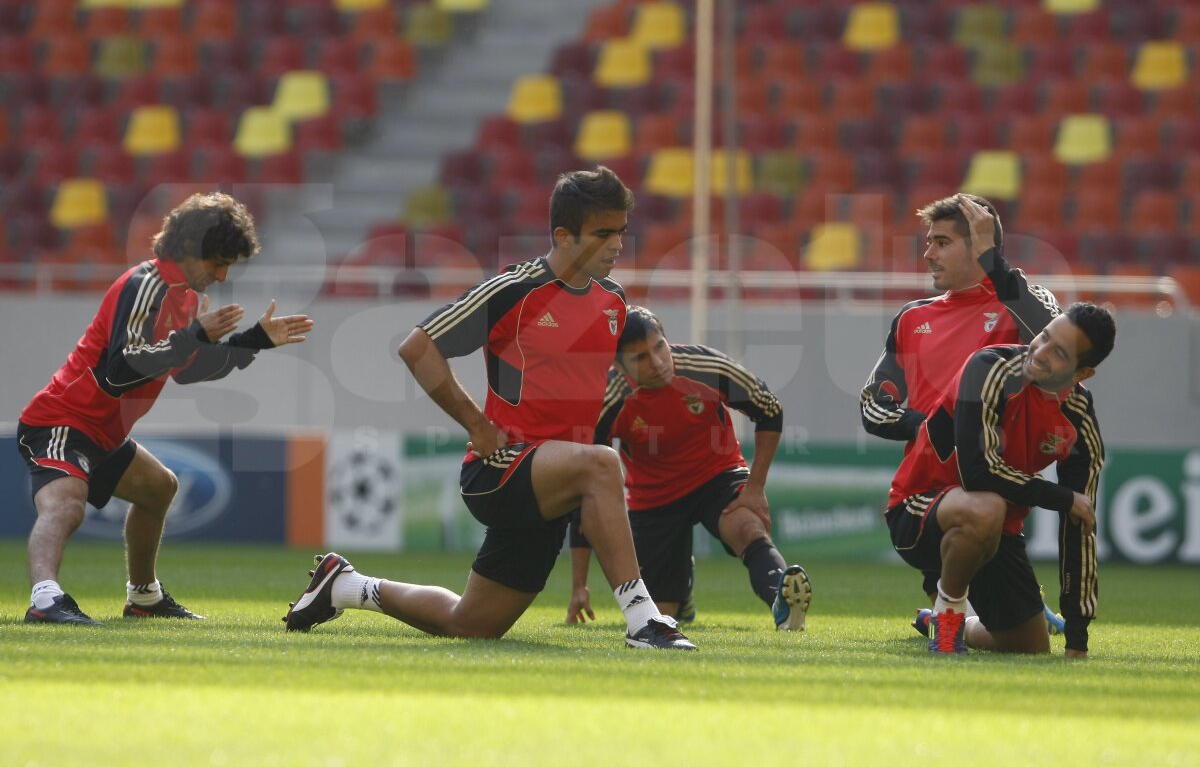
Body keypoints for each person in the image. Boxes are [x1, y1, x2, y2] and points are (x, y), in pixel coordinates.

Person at [283, 167, 695, 650]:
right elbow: (418, 348)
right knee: (603, 464)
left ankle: (346, 586)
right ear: (564, 236)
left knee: (471, 624)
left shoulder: (614, 302)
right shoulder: (513, 289)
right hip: (501, 468)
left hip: (555, 485)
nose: (617, 245)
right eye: (603, 234)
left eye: (621, 232)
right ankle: (645, 621)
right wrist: (477, 425)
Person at [19, 191, 314, 625]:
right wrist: (193, 336)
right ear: (190, 247)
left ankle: (144, 597)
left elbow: (187, 370)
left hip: (104, 432)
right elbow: (119, 371)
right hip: (62, 419)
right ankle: (45, 599)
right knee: (67, 504)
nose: (223, 275)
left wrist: (254, 340)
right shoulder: (145, 284)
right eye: (218, 262)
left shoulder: (186, 297)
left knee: (159, 487)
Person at [859, 193, 1067, 631]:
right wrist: (937, 426)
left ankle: (941, 617)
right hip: (926, 498)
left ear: (980, 248)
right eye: (928, 242)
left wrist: (996, 263)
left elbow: (1062, 351)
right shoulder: (912, 318)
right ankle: (949, 609)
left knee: (1028, 647)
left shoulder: (1023, 303)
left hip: (1000, 511)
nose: (928, 254)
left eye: (942, 242)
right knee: (980, 513)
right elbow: (872, 405)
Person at [563, 306, 811, 631]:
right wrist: (579, 586)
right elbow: (585, 492)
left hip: (717, 476)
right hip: (653, 499)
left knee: (747, 527)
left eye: (659, 347)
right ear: (618, 365)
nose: (657, 362)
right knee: (664, 614)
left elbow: (770, 410)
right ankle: (682, 594)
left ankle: (783, 602)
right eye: (640, 358)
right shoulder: (607, 401)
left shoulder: (706, 367)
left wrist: (755, 488)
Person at [887, 302, 1114, 655]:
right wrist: (1062, 497)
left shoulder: (1079, 419)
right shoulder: (989, 367)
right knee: (987, 506)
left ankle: (945, 621)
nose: (1040, 351)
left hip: (996, 529)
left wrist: (1077, 637)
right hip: (917, 508)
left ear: (1082, 373)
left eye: (1058, 353)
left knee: (1029, 646)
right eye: (1044, 337)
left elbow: (1080, 525)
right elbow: (978, 472)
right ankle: (947, 624)